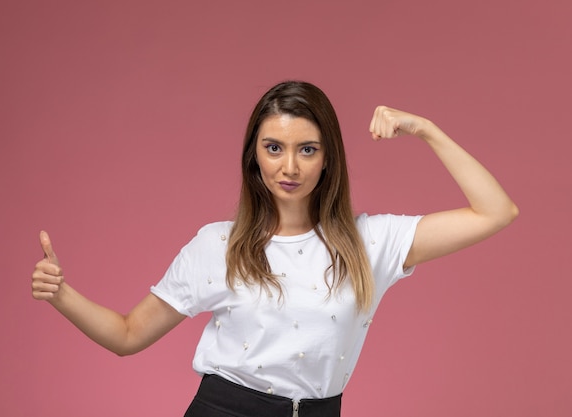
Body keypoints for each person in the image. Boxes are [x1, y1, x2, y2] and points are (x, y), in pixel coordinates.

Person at [31, 81, 518, 416]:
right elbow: (129, 334)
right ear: (254, 156)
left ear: (328, 159)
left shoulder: (371, 243)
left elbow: (496, 211)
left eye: (307, 149)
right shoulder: (217, 246)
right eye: (273, 148)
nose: (290, 166)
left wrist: (424, 128)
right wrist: (62, 295)